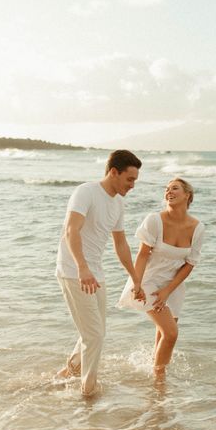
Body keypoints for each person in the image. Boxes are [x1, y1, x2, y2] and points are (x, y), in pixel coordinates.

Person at [56, 149, 145, 396]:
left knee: (95, 332)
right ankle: (88, 391)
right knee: (94, 335)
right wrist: (82, 268)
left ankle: (68, 373)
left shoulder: (117, 203)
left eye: (135, 180)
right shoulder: (86, 192)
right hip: (74, 271)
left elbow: (121, 244)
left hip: (96, 274)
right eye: (130, 179)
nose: (133, 185)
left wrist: (136, 278)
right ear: (113, 172)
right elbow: (71, 231)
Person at [117, 177, 205, 378]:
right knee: (171, 333)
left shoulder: (198, 228)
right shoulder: (154, 220)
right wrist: (136, 284)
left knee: (163, 332)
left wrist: (168, 290)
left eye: (174, 188)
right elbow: (142, 255)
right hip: (147, 280)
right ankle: (159, 380)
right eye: (166, 189)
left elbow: (190, 263)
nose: (168, 192)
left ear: (187, 195)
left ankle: (153, 371)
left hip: (173, 285)